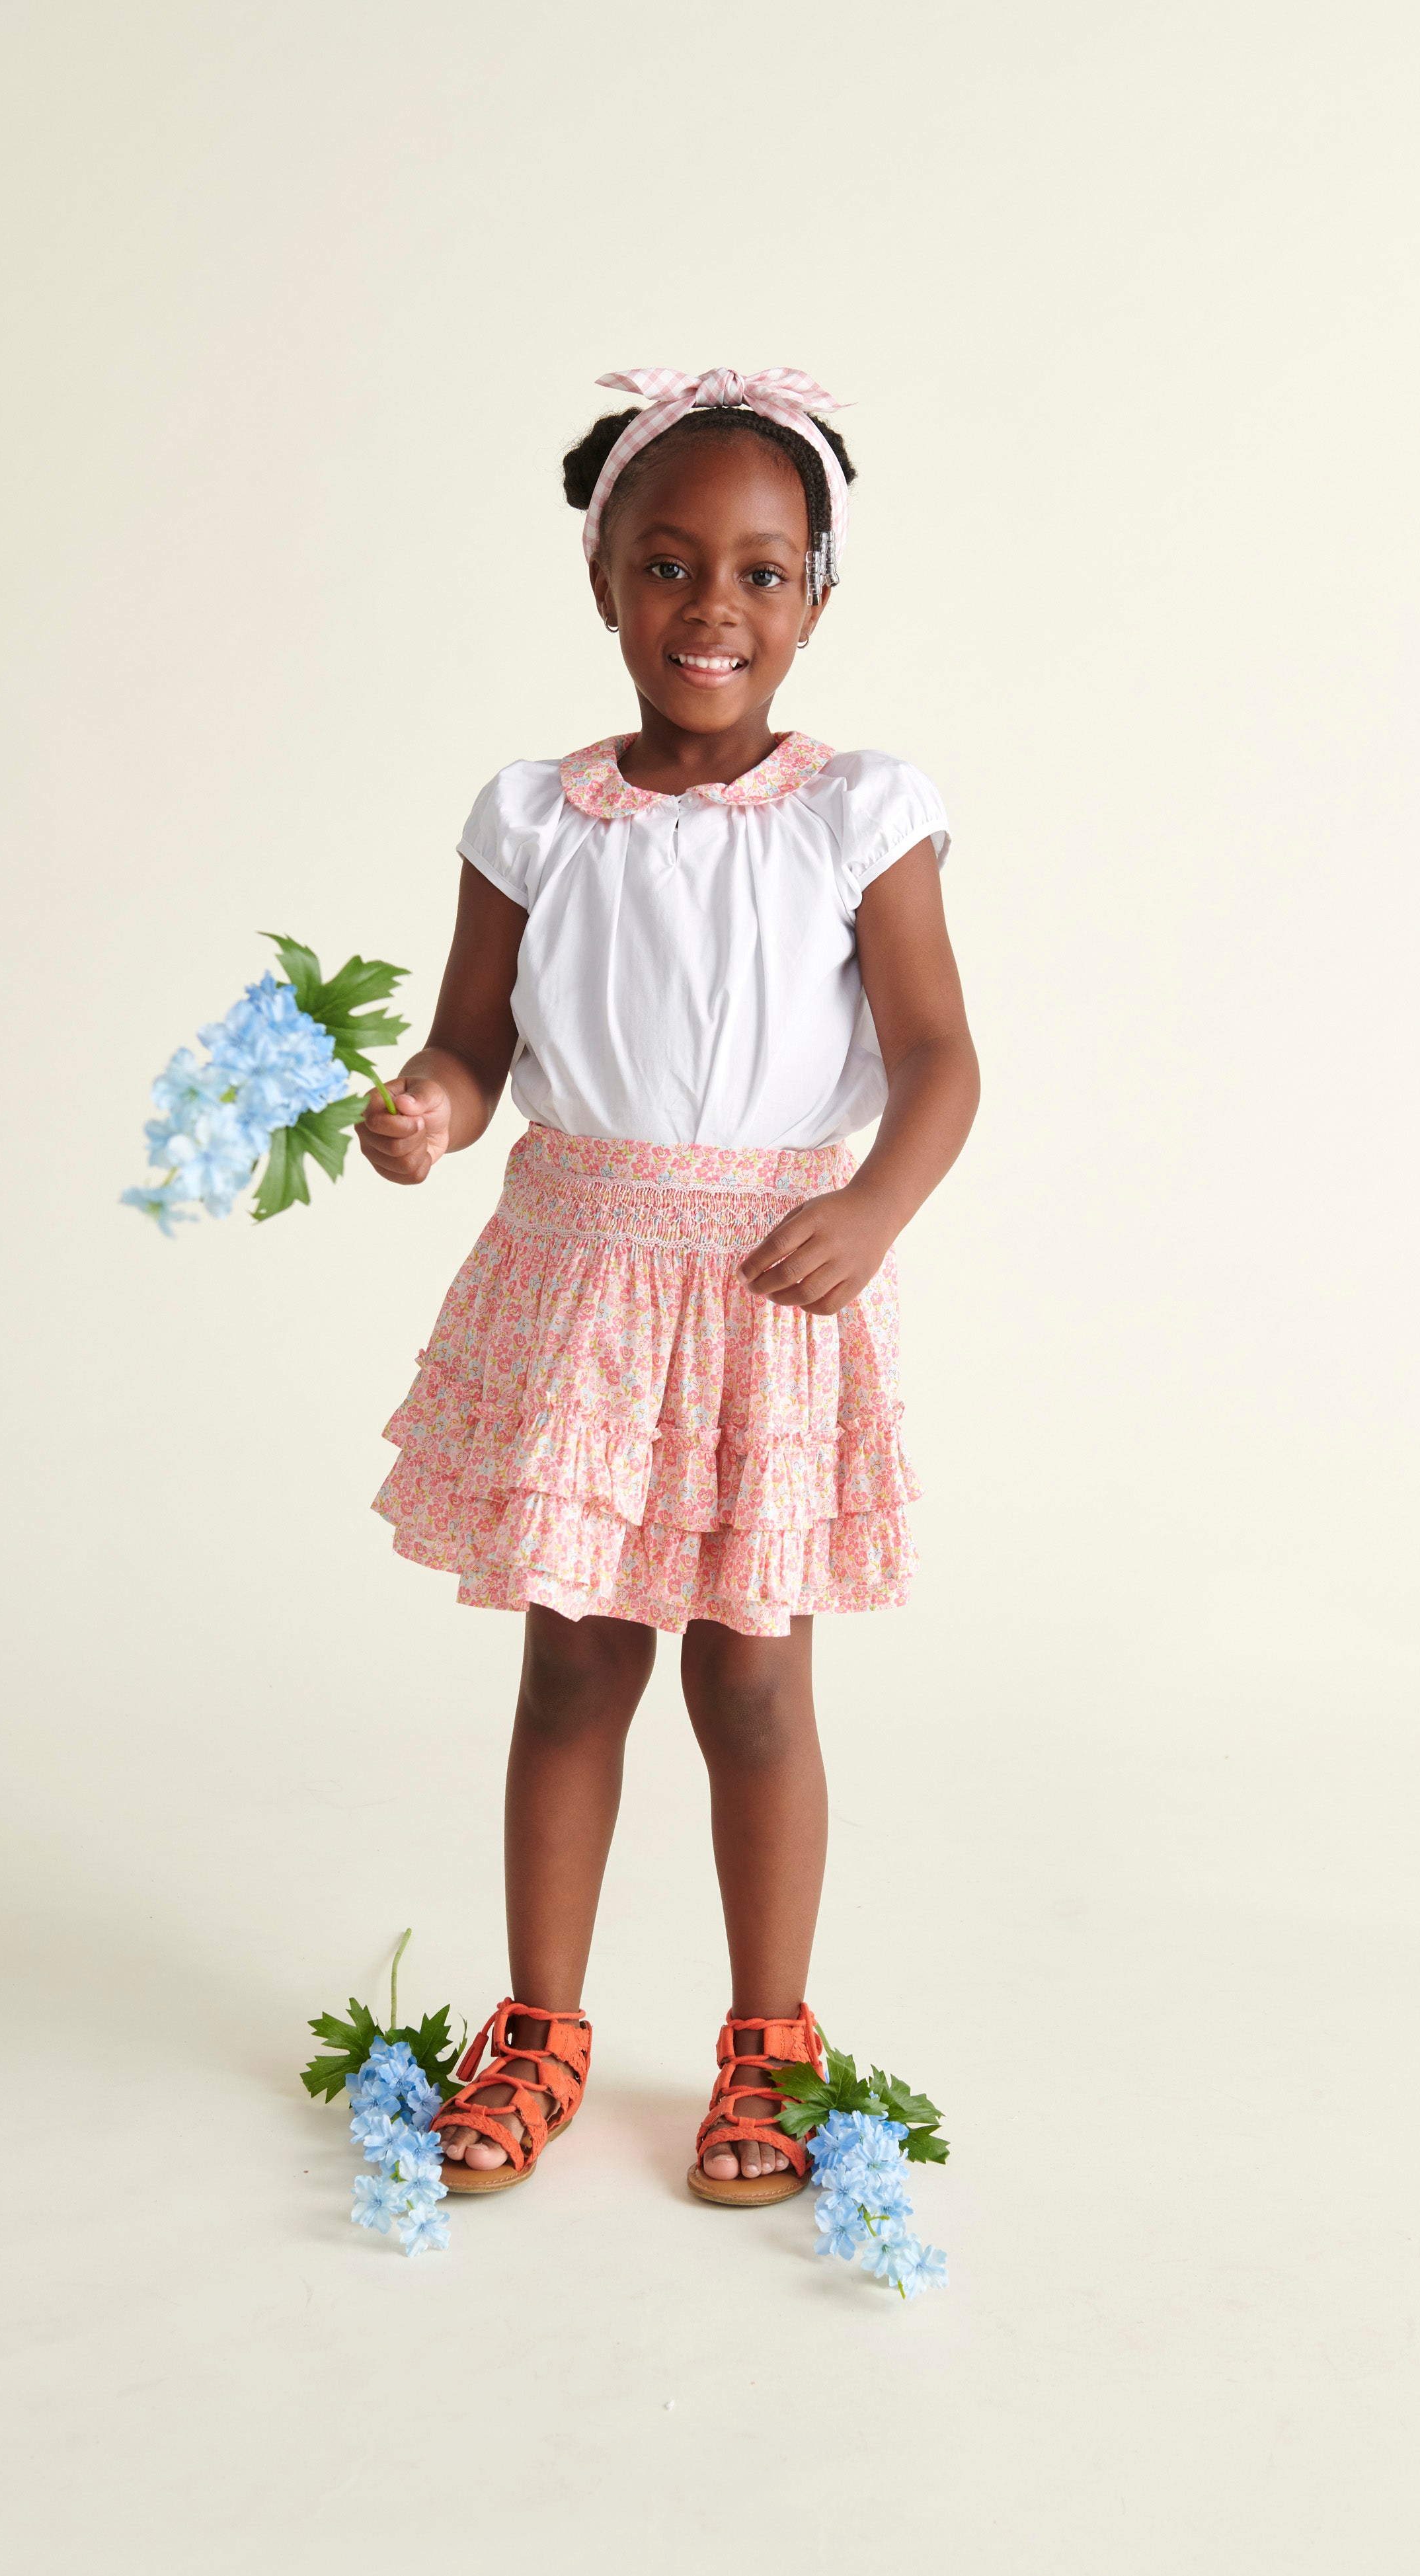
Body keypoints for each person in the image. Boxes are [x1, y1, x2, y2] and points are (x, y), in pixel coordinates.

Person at [358, 367, 978, 2206]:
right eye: (669, 563)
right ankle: (543, 2023)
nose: (714, 605)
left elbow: (941, 1054)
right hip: (583, 1283)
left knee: (757, 1680)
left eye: (764, 572)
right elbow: (472, 1045)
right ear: (605, 579)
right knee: (571, 1667)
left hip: (768, 1293)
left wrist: (874, 1206)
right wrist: (428, 1111)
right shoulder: (535, 819)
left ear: (817, 597)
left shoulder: (858, 813)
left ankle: (767, 2039)